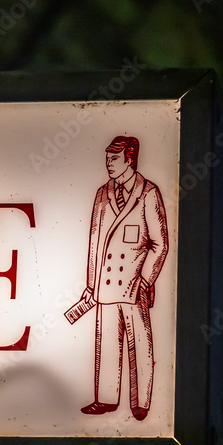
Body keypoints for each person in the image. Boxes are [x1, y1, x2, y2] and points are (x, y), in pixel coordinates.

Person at [77, 136, 168, 421]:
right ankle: (105, 399)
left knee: (140, 342)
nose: (108, 164)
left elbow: (160, 243)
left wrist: (145, 279)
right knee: (106, 343)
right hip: (105, 284)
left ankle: (141, 403)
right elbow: (95, 242)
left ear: (130, 159)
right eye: (107, 159)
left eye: (114, 159)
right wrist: (91, 285)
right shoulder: (103, 193)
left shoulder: (148, 193)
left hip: (133, 284)